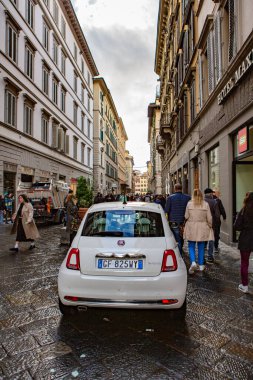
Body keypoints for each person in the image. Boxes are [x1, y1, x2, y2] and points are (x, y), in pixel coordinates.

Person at [184, 189, 213, 274]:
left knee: (191, 245)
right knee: (201, 246)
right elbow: (209, 218)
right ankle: (201, 265)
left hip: (192, 226)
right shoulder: (205, 204)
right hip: (202, 226)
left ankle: (193, 262)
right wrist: (210, 226)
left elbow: (186, 216)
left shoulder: (189, 203)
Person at [234, 191, 253, 293]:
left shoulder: (244, 210)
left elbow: (237, 226)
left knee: (244, 263)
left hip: (246, 238)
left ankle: (245, 286)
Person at [164, 183, 191, 256]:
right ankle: (180, 250)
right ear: (181, 189)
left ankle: (179, 255)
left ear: (175, 189)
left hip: (174, 221)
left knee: (177, 238)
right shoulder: (188, 197)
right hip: (184, 221)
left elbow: (166, 210)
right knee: (181, 237)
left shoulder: (170, 198)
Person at [204, 188, 220, 263]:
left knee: (202, 239)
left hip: (203, 223)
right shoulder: (214, 202)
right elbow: (217, 215)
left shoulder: (201, 201)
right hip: (212, 224)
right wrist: (217, 223)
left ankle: (202, 256)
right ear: (210, 194)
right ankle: (210, 256)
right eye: (212, 193)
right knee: (211, 240)